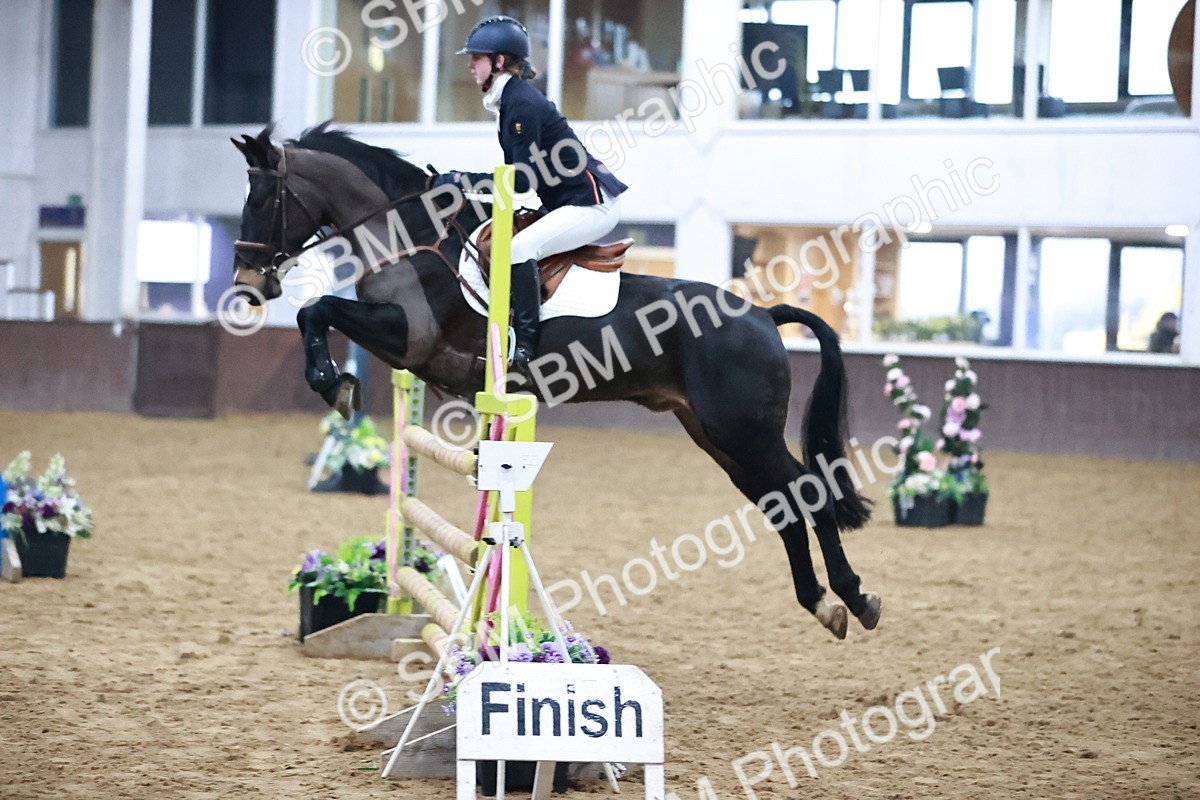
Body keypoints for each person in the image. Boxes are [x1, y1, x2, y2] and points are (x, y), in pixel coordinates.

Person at [433, 15, 628, 380]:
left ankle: (524, 345)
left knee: (519, 249)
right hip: (566, 201)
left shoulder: (520, 104)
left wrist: (461, 180)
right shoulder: (511, 100)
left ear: (499, 62)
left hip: (592, 205)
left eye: (476, 58)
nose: (470, 65)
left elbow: (521, 179)